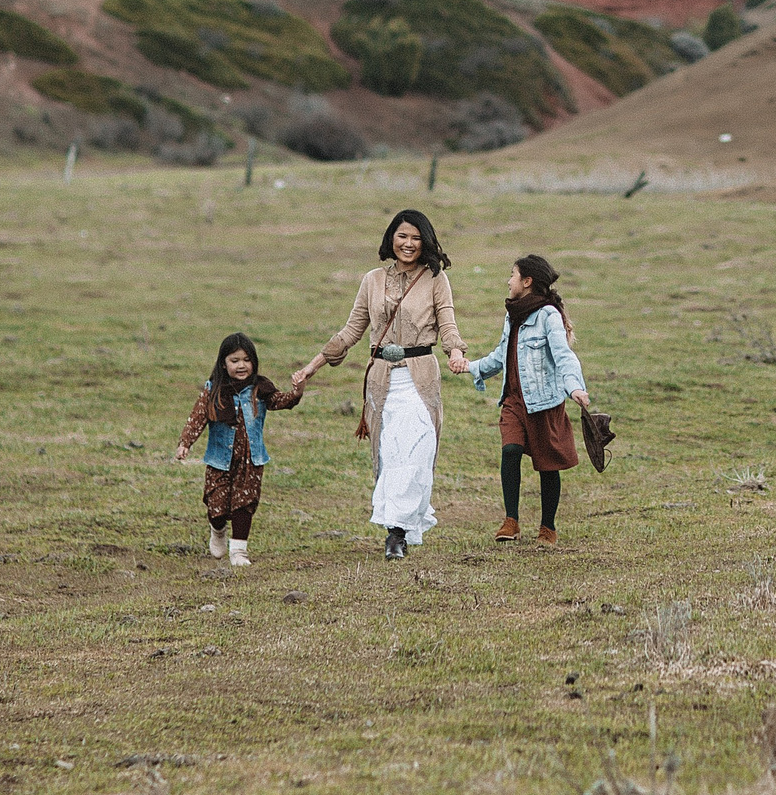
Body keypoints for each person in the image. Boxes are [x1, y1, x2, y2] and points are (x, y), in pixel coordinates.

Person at [294, 209, 465, 560]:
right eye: (403, 236)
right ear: (391, 238)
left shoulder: (436, 279)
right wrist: (311, 368)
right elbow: (350, 331)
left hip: (420, 377)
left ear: (425, 242)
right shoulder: (372, 280)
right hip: (382, 380)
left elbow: (447, 322)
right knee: (390, 454)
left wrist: (456, 352)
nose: (409, 244)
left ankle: (399, 530)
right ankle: (395, 533)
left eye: (416, 238)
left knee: (416, 452)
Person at [457, 252, 589, 545]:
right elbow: (502, 354)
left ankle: (548, 527)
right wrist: (471, 366)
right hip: (514, 400)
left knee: (548, 464)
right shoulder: (512, 315)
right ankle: (511, 521)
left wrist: (575, 388)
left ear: (527, 282)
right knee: (510, 451)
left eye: (513, 276)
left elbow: (564, 356)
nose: (508, 281)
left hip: (544, 402)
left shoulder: (548, 316)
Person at [174, 332, 303, 566]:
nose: (241, 365)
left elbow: (280, 401)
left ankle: (239, 552)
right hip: (219, 460)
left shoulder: (260, 389)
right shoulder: (214, 390)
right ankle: (218, 531)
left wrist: (296, 391)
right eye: (234, 361)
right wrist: (185, 443)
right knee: (217, 505)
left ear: (253, 362)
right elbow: (197, 417)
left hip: (251, 460)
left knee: (245, 504)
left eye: (246, 360)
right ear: (224, 363)